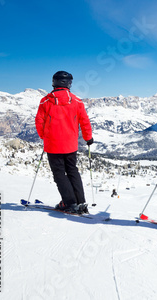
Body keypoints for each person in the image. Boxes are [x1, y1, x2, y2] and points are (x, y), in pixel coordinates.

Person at [35, 71, 93, 213]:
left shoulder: (46, 101)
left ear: (54, 82)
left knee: (59, 174)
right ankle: (81, 202)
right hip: (71, 145)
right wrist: (88, 138)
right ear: (69, 84)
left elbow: (39, 122)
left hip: (53, 145)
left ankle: (69, 203)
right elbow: (84, 121)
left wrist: (45, 137)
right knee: (73, 171)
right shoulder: (77, 101)